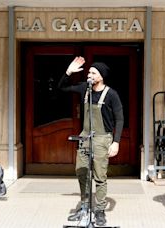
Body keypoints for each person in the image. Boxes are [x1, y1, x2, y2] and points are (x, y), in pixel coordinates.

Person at [58, 56, 124, 226]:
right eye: (89, 72)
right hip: (85, 137)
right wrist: (69, 71)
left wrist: (116, 142)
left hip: (103, 139)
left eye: (93, 73)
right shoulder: (84, 89)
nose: (89, 75)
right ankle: (85, 206)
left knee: (100, 176)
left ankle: (100, 210)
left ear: (101, 76)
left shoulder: (111, 94)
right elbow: (62, 88)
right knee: (81, 172)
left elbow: (120, 119)